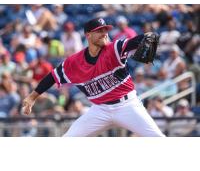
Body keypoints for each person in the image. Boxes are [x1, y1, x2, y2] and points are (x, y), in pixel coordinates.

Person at [22, 17, 165, 137]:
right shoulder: (74, 62)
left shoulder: (114, 49)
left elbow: (136, 41)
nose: (104, 33)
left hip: (127, 106)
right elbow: (52, 77)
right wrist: (32, 97)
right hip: (100, 110)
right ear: (88, 35)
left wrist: (149, 35)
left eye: (105, 30)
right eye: (99, 31)